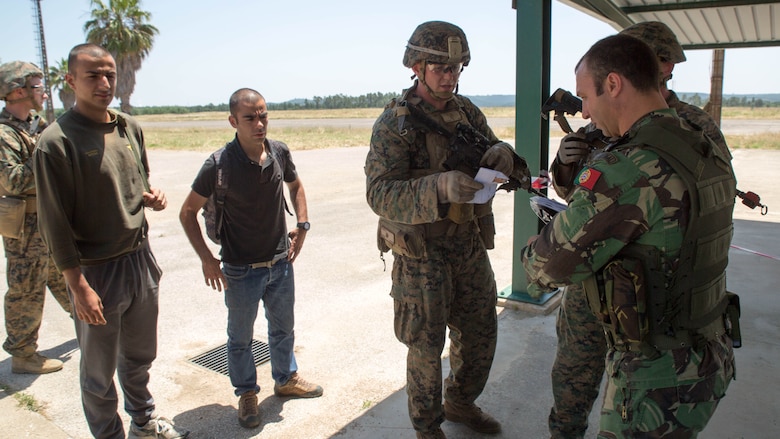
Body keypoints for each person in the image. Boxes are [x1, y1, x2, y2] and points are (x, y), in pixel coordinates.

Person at [522, 33, 737, 438]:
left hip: (653, 379)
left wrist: (534, 246)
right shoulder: (701, 145)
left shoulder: (630, 165)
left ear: (615, 84)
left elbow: (545, 268)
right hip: (704, 355)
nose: (583, 111)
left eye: (586, 97)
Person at [365, 21, 530, 439]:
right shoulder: (395, 124)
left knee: (479, 331)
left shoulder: (466, 112)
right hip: (422, 254)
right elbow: (379, 194)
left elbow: (496, 153)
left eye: (457, 69)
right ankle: (426, 426)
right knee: (425, 345)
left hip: (467, 244)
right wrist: (436, 185)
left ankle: (460, 401)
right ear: (417, 67)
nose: (449, 77)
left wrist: (503, 156)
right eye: (441, 68)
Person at [33, 43, 188, 439]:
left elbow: (138, 183)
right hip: (95, 272)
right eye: (93, 75)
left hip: (139, 262)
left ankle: (144, 424)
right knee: (99, 373)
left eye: (110, 75)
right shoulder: (56, 141)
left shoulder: (128, 127)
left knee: (138, 358)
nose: (105, 83)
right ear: (70, 81)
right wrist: (77, 285)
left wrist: (153, 198)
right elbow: (54, 222)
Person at [179, 88, 322, 430]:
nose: (259, 124)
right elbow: (187, 212)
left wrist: (302, 225)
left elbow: (296, 186)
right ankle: (246, 393)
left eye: (263, 116)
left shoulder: (279, 152)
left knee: (283, 328)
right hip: (240, 270)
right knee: (240, 338)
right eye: (250, 118)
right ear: (233, 121)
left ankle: (286, 378)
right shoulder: (218, 164)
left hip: (280, 265)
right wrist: (206, 260)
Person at [0, 61, 72, 374]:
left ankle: (91, 323)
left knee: (66, 274)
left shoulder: (37, 126)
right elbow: (13, 181)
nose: (44, 92)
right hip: (25, 227)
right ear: (18, 91)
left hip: (50, 218)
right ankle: (23, 354)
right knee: (26, 289)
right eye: (38, 86)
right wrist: (47, 158)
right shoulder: (4, 134)